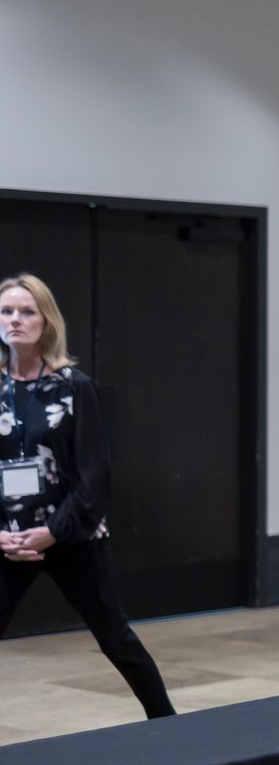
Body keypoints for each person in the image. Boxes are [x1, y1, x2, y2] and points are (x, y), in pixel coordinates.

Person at [0, 274, 175, 720]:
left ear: (46, 321)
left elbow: (96, 476)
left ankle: (169, 725)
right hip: (10, 542)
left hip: (71, 535)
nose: (15, 320)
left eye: (26, 311)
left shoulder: (75, 386)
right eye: (6, 311)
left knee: (115, 636)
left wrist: (52, 533)